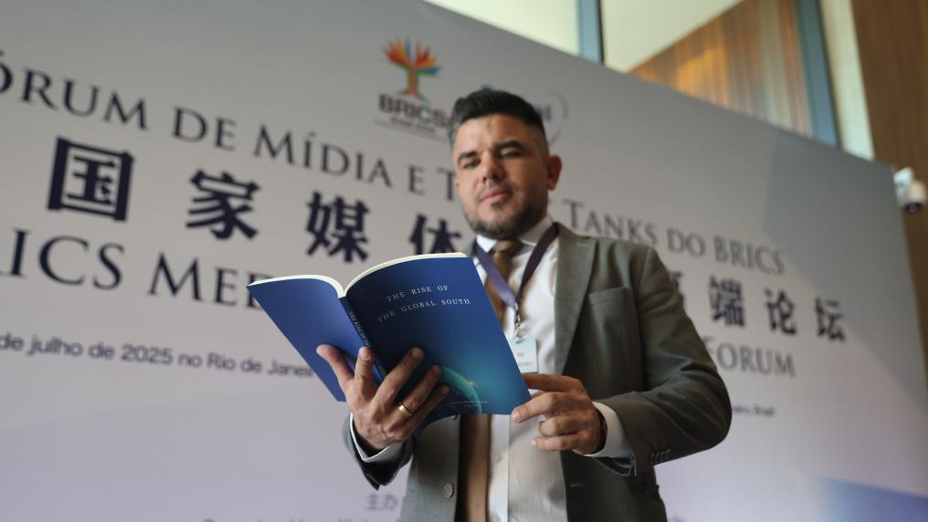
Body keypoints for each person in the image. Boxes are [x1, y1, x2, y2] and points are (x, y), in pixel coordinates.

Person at [317, 89, 731, 522]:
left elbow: (703, 400)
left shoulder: (627, 265)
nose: (489, 171)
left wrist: (604, 422)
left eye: (509, 152)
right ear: (458, 184)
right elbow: (394, 433)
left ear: (551, 172)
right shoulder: (414, 291)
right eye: (470, 161)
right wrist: (371, 433)